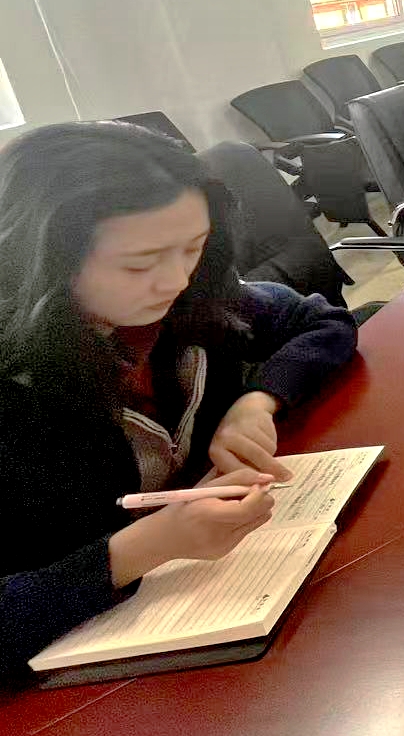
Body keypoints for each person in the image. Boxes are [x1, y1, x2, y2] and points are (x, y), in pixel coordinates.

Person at [0, 122, 358, 674]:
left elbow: (320, 321)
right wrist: (139, 549)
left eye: (193, 247)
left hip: (241, 604)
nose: (175, 280)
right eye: (139, 264)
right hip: (96, 677)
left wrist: (258, 400)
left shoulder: (196, 299)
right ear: (40, 260)